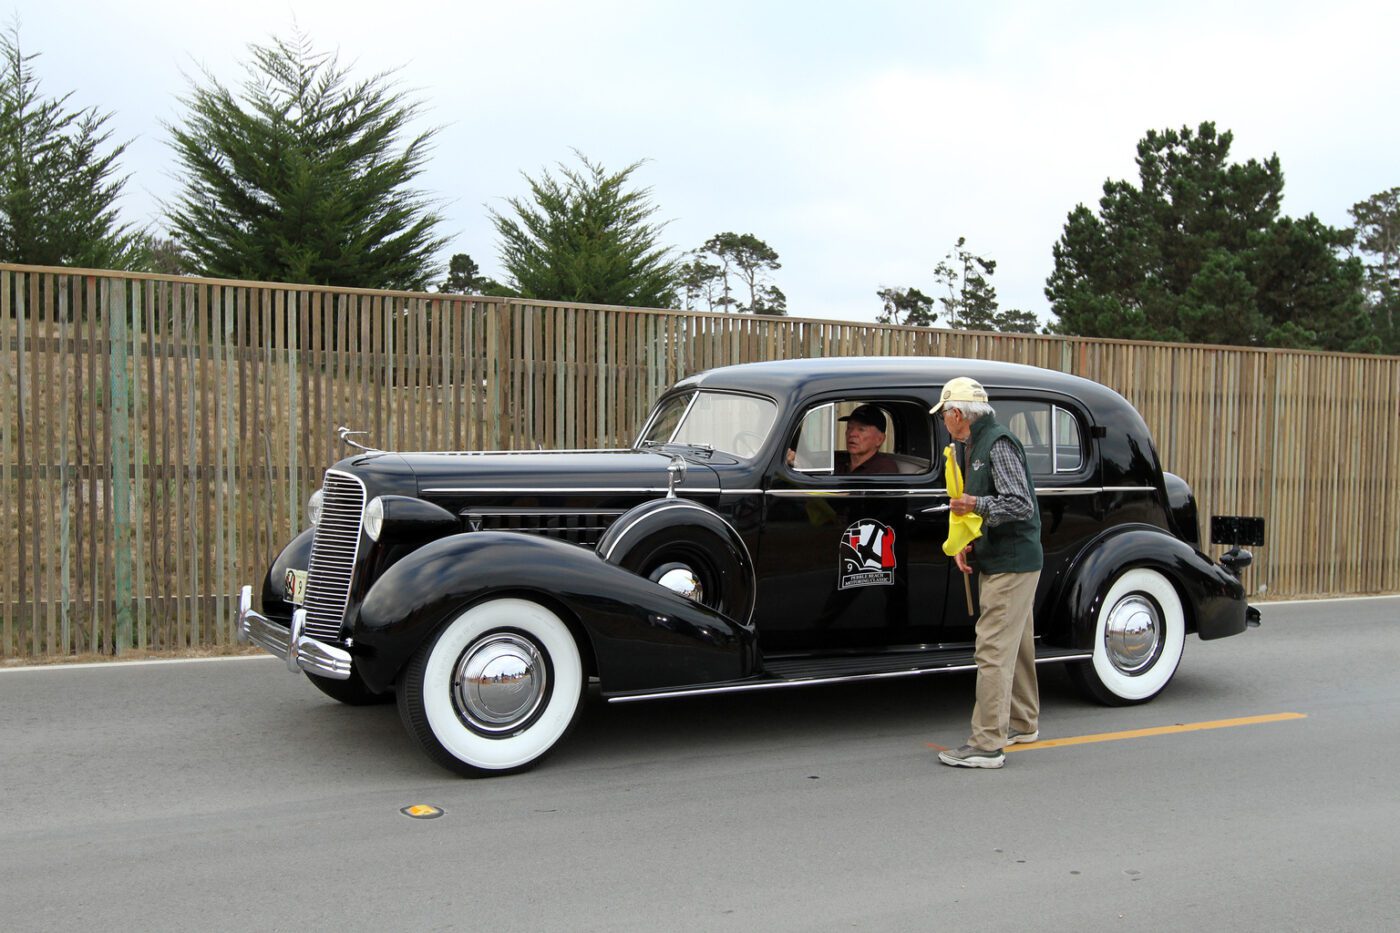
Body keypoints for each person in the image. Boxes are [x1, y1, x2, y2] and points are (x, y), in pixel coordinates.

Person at [931, 377, 1042, 769]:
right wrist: (970, 542)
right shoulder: (975, 444)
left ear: (957, 414)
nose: (944, 421)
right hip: (1009, 556)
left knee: (992, 648)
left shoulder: (995, 443)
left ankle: (987, 743)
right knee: (1018, 644)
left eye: (944, 414)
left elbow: (1020, 504)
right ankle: (1022, 722)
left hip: (1011, 562)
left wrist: (974, 503)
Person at [835, 404, 899, 474]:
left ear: (880, 439)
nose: (852, 434)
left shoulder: (884, 468)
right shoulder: (836, 460)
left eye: (861, 429)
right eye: (849, 427)